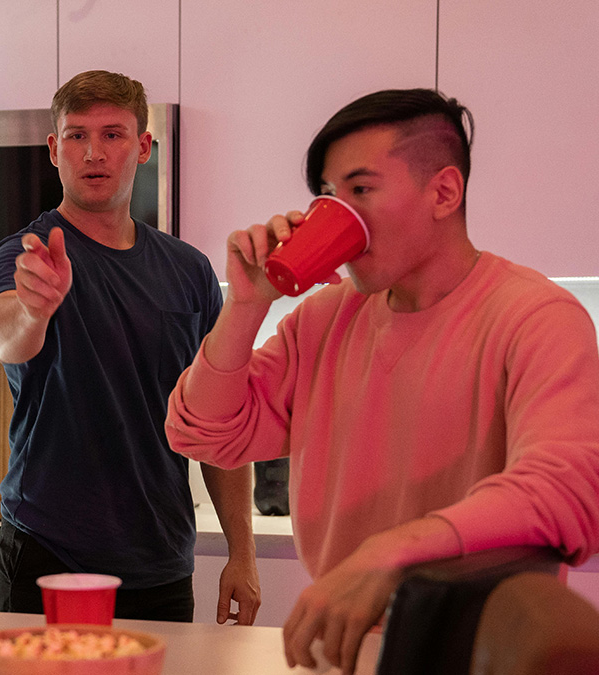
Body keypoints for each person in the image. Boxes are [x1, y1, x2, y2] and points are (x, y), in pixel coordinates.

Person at [165, 88, 599, 671]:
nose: (336, 214)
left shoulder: (536, 318)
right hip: (341, 650)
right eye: (327, 195)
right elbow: (202, 433)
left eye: (361, 190)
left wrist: (392, 554)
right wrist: (245, 305)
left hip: (482, 653)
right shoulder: (324, 319)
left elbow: (569, 490)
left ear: (443, 192)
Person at [0, 70, 261, 624]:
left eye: (113, 134)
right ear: (54, 150)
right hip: (49, 554)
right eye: (77, 136)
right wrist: (34, 308)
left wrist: (243, 551)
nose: (94, 152)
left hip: (162, 564)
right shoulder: (28, 257)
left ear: (143, 147)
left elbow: (219, 418)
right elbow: (2, 337)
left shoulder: (189, 271)